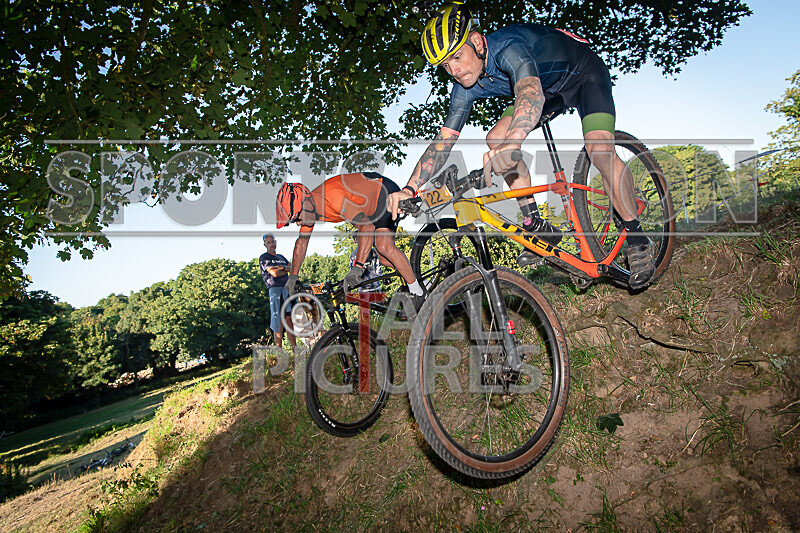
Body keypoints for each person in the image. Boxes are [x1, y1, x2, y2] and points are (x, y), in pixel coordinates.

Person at [387, 2, 656, 288]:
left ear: (476, 42)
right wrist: (409, 188)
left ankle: (638, 239)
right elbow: (443, 141)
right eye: (445, 65)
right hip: (549, 90)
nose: (453, 70)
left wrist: (513, 143)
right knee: (494, 139)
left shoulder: (507, 47)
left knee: (598, 148)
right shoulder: (464, 87)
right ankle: (537, 225)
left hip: (584, 75)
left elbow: (530, 93)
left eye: (457, 57)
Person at [275, 172, 426, 310]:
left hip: (383, 192)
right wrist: (293, 276)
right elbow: (302, 242)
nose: (299, 223)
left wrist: (358, 268)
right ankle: (418, 282)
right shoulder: (310, 209)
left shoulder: (333, 198)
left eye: (296, 218)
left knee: (384, 247)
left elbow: (366, 228)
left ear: (306, 203)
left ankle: (419, 293)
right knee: (385, 260)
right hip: (368, 208)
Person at [259, 233, 297, 350]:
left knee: (289, 319)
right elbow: (274, 273)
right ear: (265, 244)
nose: (272, 244)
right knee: (278, 321)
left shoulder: (281, 257)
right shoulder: (264, 258)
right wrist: (284, 269)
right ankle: (279, 350)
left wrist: (283, 269)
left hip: (287, 290)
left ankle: (295, 348)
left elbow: (293, 267)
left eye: (273, 241)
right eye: (269, 242)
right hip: (276, 292)